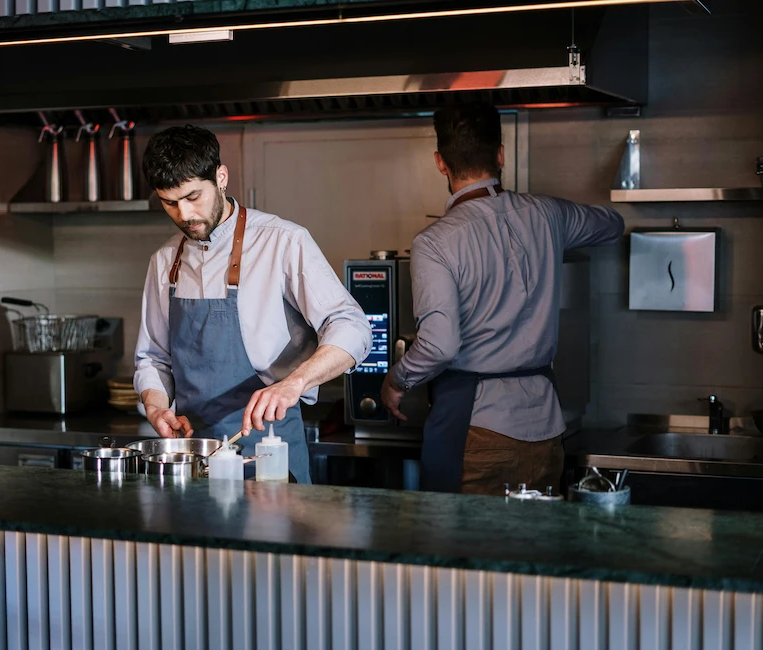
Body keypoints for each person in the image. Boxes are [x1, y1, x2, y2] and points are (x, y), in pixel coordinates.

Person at [381, 103, 624, 495]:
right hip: (546, 430)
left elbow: (440, 346)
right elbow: (612, 225)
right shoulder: (547, 215)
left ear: (441, 163)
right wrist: (555, 232)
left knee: (464, 553)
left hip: (477, 432)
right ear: (500, 155)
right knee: (531, 553)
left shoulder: (434, 243)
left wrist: (396, 380)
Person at [134, 125, 372, 483]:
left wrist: (293, 383)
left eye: (193, 196)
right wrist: (155, 407)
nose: (184, 215)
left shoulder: (283, 241)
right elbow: (153, 358)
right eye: (170, 203)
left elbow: (352, 326)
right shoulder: (164, 260)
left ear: (221, 177)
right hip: (194, 454)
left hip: (269, 447)